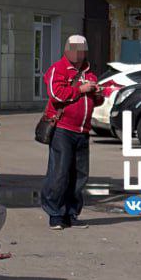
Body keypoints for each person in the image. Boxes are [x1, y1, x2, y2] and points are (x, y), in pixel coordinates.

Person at [40, 34, 103, 230]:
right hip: (63, 130)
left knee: (79, 175)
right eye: (75, 49)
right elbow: (57, 94)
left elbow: (96, 101)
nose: (79, 53)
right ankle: (55, 214)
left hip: (83, 131)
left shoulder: (89, 73)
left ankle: (71, 213)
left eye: (82, 49)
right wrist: (81, 89)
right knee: (60, 173)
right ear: (67, 50)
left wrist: (97, 94)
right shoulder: (57, 69)